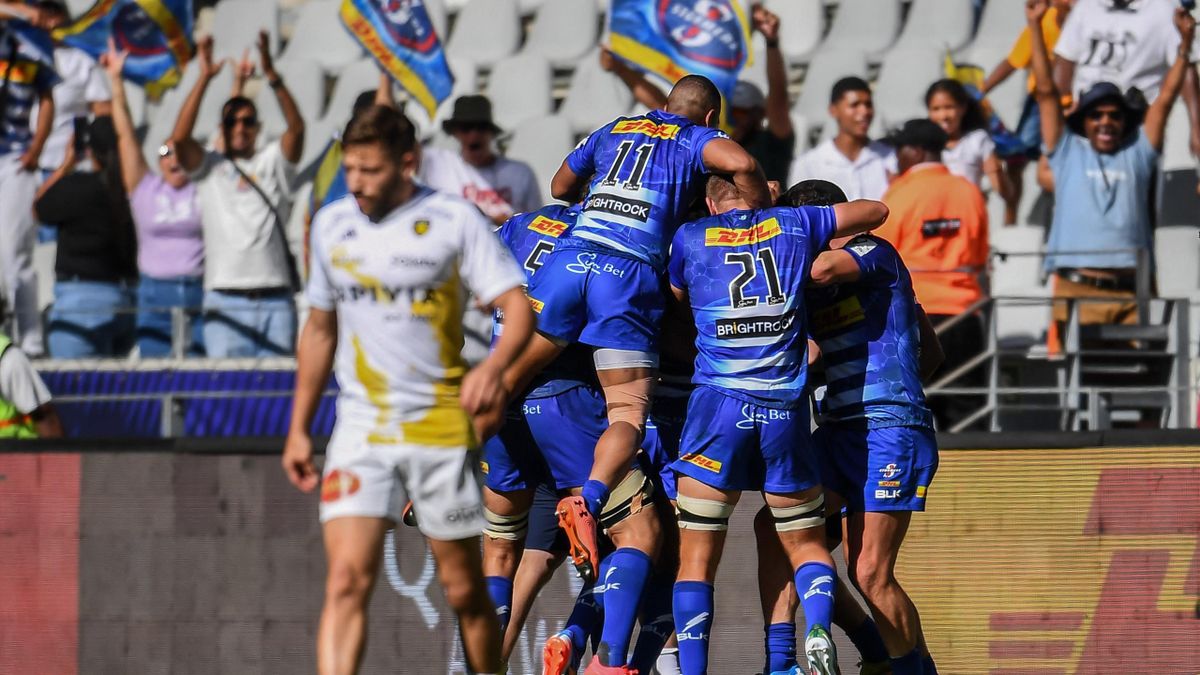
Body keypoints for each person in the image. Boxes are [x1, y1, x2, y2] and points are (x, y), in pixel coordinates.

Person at [282, 105, 532, 675]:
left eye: (370, 170)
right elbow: (318, 330)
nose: (356, 183)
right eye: (350, 168)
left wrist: (494, 368)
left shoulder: (454, 219)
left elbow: (516, 307)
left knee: (464, 590)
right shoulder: (332, 224)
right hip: (361, 427)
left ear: (407, 163)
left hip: (438, 426)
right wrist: (298, 428)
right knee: (347, 581)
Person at [511, 75, 769, 616]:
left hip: (570, 260)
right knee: (627, 412)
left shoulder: (615, 127)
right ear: (710, 118)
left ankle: (438, 469)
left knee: (507, 377)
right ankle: (590, 499)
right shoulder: (696, 139)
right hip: (626, 275)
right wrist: (756, 215)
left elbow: (560, 186)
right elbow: (743, 164)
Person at [665, 174, 889, 675]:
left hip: (717, 408)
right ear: (762, 192)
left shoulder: (690, 235)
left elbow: (676, 298)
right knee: (806, 544)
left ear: (710, 202)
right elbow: (875, 211)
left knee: (697, 558)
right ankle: (817, 631)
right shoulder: (794, 223)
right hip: (783, 411)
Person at [753, 179, 943, 675]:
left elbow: (821, 268)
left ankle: (908, 670)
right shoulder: (816, 290)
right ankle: (807, 659)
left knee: (870, 572)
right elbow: (930, 349)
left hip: (889, 428)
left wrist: (894, 389)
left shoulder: (871, 251)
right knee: (780, 532)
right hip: (838, 430)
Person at [1027, 0, 1194, 340]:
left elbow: (1165, 98)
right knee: (1077, 374)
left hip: (1131, 291)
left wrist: (1185, 46)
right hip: (1076, 288)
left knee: (1136, 374)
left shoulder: (1138, 152)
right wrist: (1034, 26)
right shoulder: (1066, 150)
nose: (1106, 122)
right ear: (1084, 121)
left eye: (1115, 115)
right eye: (1096, 115)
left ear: (1125, 121)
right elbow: (1045, 93)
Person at [172, 32, 305, 358]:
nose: (240, 128)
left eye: (247, 121)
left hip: (275, 297)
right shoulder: (209, 167)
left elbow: (297, 129)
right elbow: (180, 139)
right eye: (231, 122)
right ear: (222, 128)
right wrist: (204, 78)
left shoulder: (271, 162)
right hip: (224, 298)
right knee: (227, 387)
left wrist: (272, 75)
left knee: (276, 388)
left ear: (258, 128)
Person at [875, 119, 989, 432]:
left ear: (916, 151)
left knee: (911, 407)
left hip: (915, 315)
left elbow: (881, 255)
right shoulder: (969, 191)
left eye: (900, 149)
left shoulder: (899, 193)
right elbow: (980, 255)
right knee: (969, 411)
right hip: (964, 313)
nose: (896, 157)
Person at [600, 5, 795, 183]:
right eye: (730, 111)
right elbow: (663, 105)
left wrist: (772, 43)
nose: (735, 119)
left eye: (742, 113)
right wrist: (621, 69)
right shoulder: (704, 141)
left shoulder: (771, 144)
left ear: (759, 114)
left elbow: (778, 99)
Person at [101, 41, 204, 358]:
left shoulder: (204, 186)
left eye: (178, 152)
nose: (173, 159)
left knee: (200, 374)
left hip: (197, 292)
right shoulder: (144, 187)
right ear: (157, 160)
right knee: (156, 372)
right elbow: (125, 135)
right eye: (164, 152)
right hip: (154, 292)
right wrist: (116, 80)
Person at [34, 115, 138, 358]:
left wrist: (66, 165)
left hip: (78, 305)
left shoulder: (76, 186)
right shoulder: (129, 188)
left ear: (90, 150)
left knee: (75, 382)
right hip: (123, 301)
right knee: (113, 383)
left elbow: (38, 207)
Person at [1054, 0, 1200, 156]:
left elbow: (1186, 67)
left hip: (1137, 128)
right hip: (1086, 122)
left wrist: (1196, 127)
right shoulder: (1086, 5)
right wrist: (1059, 112)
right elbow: (1065, 59)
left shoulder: (1166, 9)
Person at [979, 0, 1073, 225]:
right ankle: (1010, 217)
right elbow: (1013, 61)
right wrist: (980, 91)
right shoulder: (1042, 22)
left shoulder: (1092, 25)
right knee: (1016, 158)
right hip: (1039, 104)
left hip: (1076, 104)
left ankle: (1062, 213)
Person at [0, 4, 56, 355]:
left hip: (14, 160)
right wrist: (22, 12)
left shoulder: (34, 42)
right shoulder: (21, 17)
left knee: (14, 252)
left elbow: (47, 97)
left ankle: (31, 341)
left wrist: (37, 148)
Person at [29, 1, 111, 233]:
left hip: (69, 169)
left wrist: (87, 146)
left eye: (53, 13)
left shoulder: (80, 60)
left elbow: (104, 112)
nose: (48, 20)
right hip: (24, 171)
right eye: (41, 13)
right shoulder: (18, 56)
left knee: (63, 241)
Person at [420, 95, 541, 226]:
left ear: (491, 132)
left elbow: (536, 225)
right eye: (466, 128)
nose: (474, 134)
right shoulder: (440, 168)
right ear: (455, 132)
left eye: (481, 127)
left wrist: (503, 223)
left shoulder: (520, 173)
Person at [788, 77, 895, 201]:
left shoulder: (889, 158)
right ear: (833, 110)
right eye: (854, 105)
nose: (864, 111)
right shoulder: (808, 164)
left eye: (868, 105)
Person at [926, 79, 1017, 222]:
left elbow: (1005, 192)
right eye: (936, 109)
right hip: (932, 221)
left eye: (949, 107)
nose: (943, 116)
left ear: (963, 108)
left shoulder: (977, 140)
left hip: (968, 219)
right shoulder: (923, 146)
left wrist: (998, 172)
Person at [0, 330, 62, 437]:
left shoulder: (10, 358)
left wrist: (58, 447)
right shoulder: (10, 357)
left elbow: (44, 417)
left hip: (15, 445)